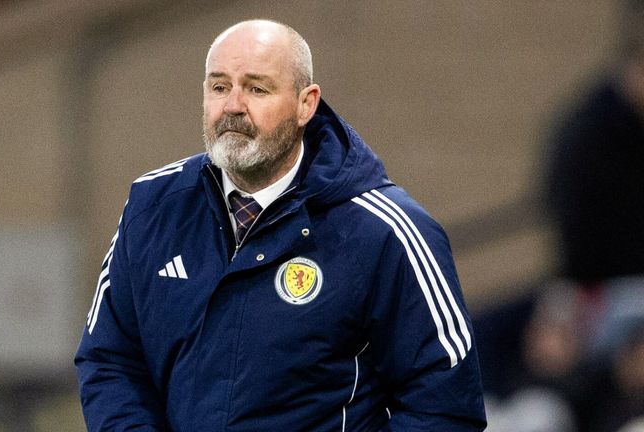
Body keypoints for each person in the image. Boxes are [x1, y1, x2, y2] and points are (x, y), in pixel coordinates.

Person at [75, 19, 486, 431]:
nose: (233, 105)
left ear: (306, 104)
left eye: (257, 88)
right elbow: (110, 358)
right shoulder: (153, 206)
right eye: (219, 87)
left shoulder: (385, 231)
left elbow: (444, 407)